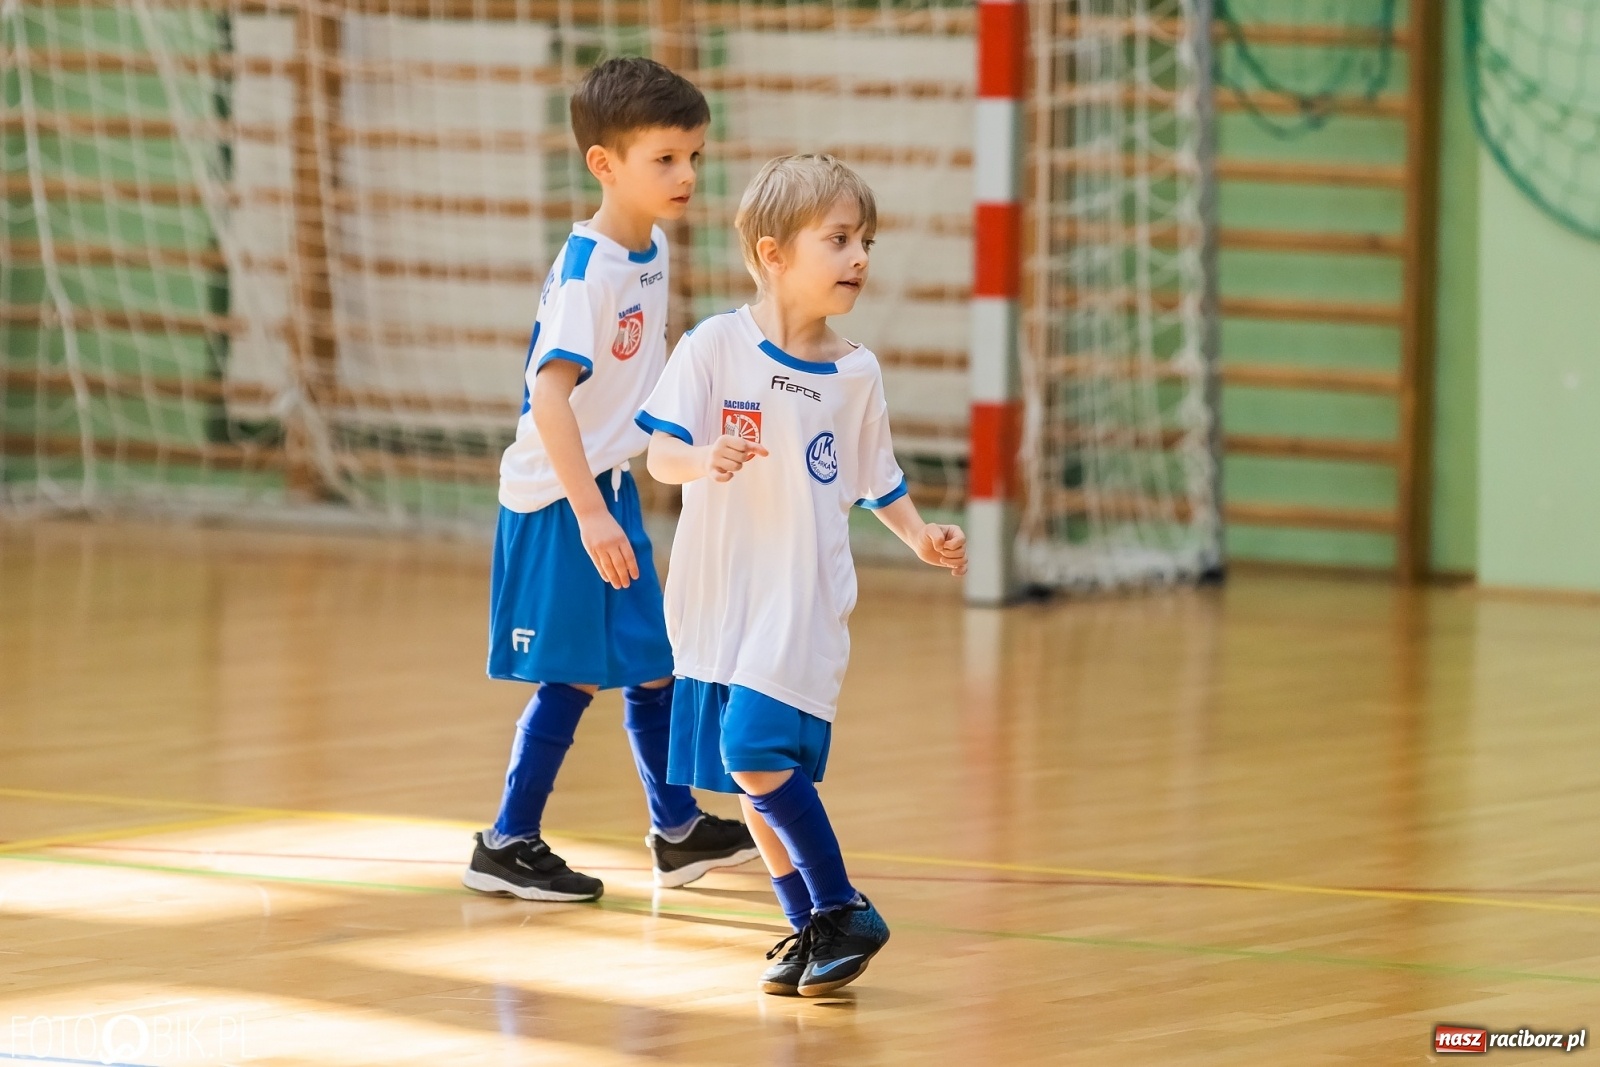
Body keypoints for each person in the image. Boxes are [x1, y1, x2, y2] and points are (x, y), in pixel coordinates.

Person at [636, 154, 968, 994]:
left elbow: (876, 478)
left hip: (799, 603)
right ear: (773, 252)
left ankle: (843, 905)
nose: (859, 258)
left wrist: (919, 534)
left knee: (755, 750)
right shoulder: (713, 345)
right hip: (717, 602)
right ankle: (808, 924)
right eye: (840, 239)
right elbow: (660, 454)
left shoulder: (857, 373)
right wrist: (703, 457)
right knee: (746, 779)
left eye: (866, 242)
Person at [464, 57, 758, 903]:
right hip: (561, 497)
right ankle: (506, 842)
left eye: (694, 157)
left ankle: (677, 829)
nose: (687, 174)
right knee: (573, 675)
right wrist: (591, 513)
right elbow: (549, 396)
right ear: (605, 164)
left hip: (609, 485)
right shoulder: (589, 271)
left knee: (653, 662)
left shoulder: (651, 247)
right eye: (665, 158)